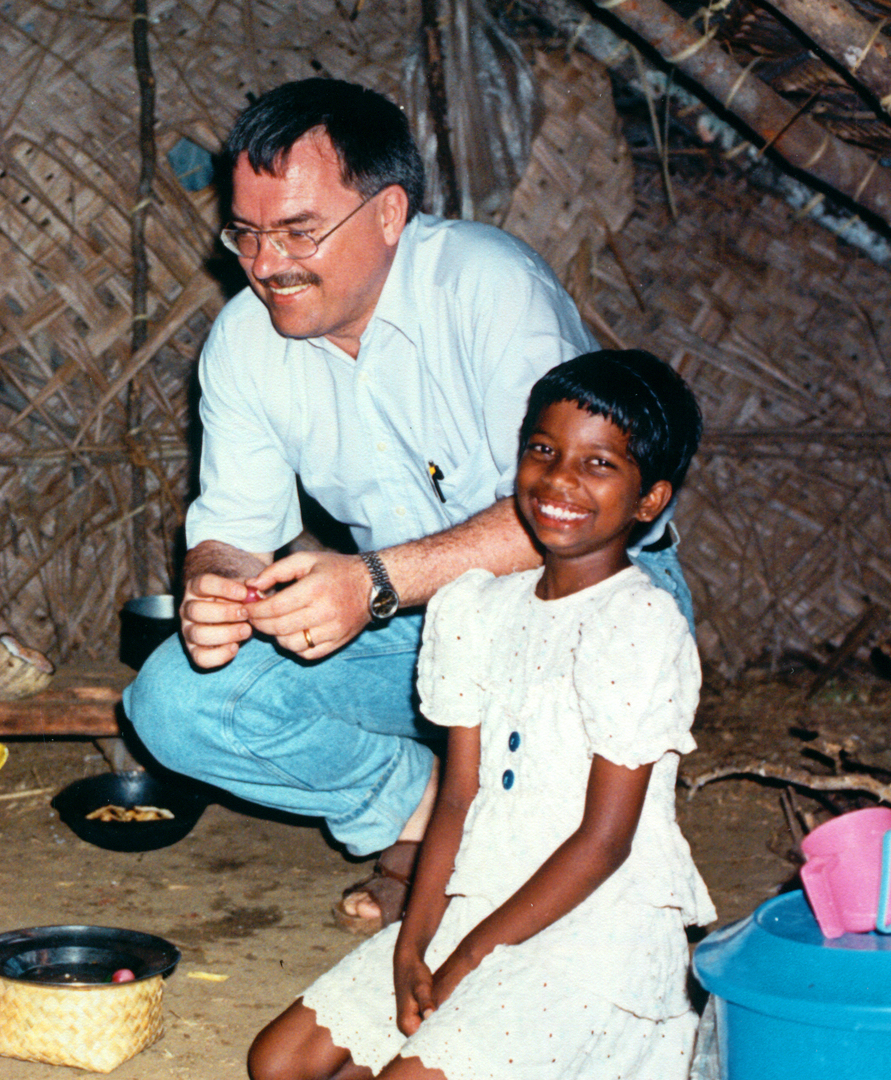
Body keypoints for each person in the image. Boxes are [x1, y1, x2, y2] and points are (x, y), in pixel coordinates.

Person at [124, 77, 691, 934]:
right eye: (245, 234)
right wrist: (217, 590)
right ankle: (431, 819)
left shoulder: (488, 288)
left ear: (389, 213)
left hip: (585, 603)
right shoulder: (244, 342)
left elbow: (567, 519)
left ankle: (468, 846)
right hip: (418, 616)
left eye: (298, 231)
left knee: (576, 869)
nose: (267, 264)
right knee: (175, 702)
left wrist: (373, 582)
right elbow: (233, 536)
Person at [245, 349, 714, 1080]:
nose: (560, 480)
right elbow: (459, 798)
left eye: (599, 466)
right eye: (544, 450)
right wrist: (413, 943)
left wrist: (465, 959)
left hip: (591, 931)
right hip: (479, 900)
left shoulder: (638, 624)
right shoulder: (476, 608)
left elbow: (603, 843)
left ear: (650, 500)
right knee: (276, 1065)